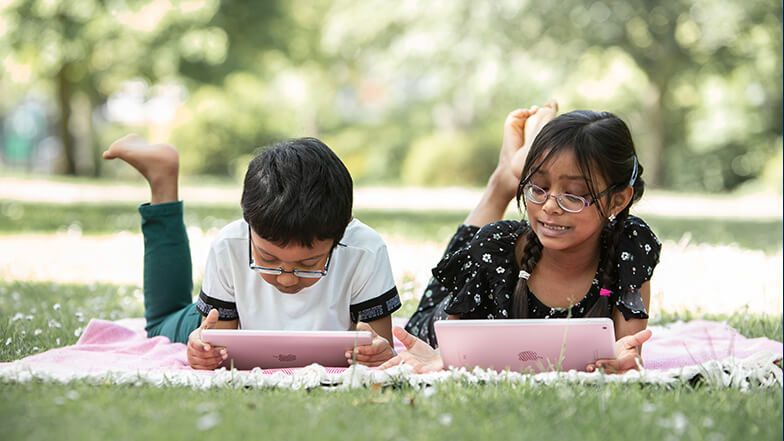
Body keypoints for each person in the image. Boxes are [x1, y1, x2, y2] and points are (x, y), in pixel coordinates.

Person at [382, 102, 661, 374]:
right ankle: (505, 179)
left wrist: (626, 361)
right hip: (445, 313)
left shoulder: (629, 246)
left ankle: (520, 164)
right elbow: (450, 350)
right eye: (538, 187)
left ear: (617, 201)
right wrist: (442, 359)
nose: (550, 206)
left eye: (573, 194)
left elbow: (627, 349)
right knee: (480, 242)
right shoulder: (497, 248)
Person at [103, 136, 401, 370]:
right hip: (234, 314)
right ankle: (162, 178)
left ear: (342, 231)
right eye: (268, 259)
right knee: (159, 325)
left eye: (308, 264)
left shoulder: (365, 250)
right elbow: (223, 348)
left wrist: (377, 352)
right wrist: (206, 351)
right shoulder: (231, 244)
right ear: (248, 223)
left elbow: (380, 345)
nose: (286, 279)